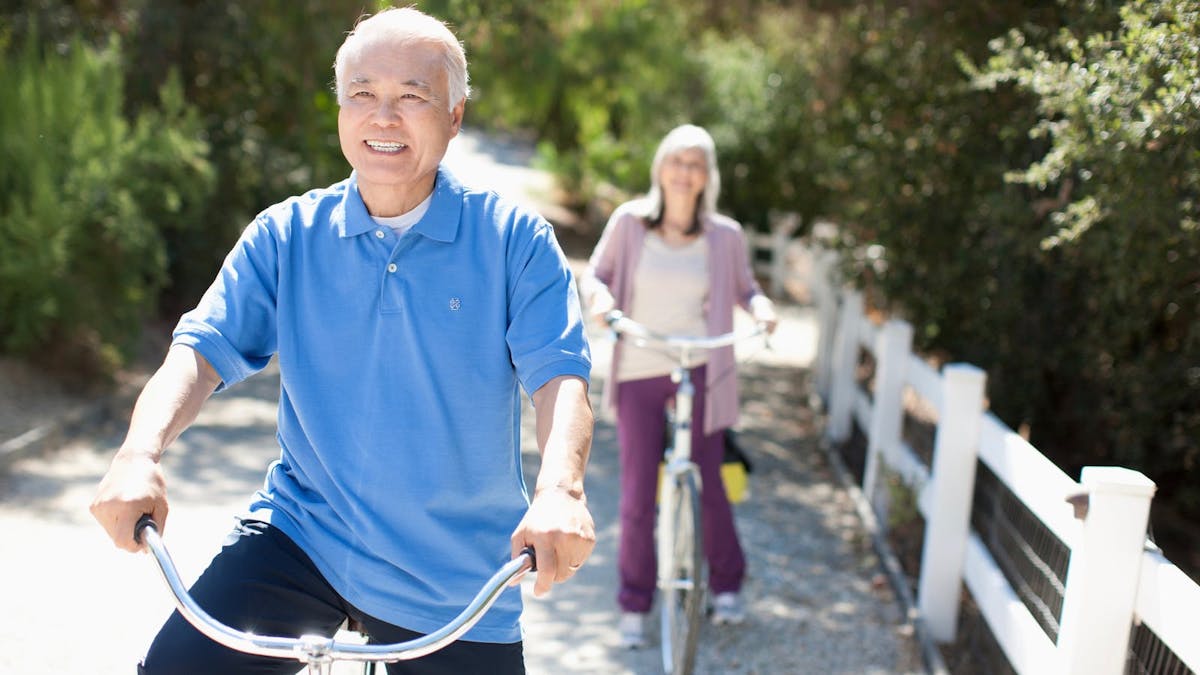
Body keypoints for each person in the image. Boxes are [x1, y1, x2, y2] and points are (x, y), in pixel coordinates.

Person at [89, 8, 596, 674]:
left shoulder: (514, 241)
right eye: (362, 94)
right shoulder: (286, 234)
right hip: (305, 538)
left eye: (411, 97)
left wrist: (562, 490)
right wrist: (137, 454)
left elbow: (560, 377)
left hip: (454, 576)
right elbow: (199, 352)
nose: (383, 117)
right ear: (340, 110)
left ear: (454, 117)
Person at [581, 124, 778, 649]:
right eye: (676, 161)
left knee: (709, 480)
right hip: (641, 362)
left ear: (707, 176)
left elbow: (748, 289)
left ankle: (727, 585)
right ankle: (634, 603)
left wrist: (762, 309)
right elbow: (596, 275)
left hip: (701, 365)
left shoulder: (725, 236)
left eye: (695, 164)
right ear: (660, 167)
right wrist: (602, 302)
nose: (684, 172)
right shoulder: (629, 223)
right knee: (637, 493)